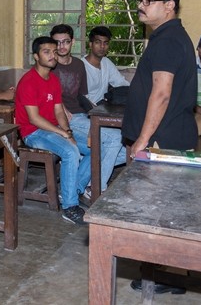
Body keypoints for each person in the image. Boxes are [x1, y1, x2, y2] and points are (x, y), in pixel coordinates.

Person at [123, 0, 196, 296]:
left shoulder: (167, 40)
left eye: (148, 1)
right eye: (140, 0)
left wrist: (141, 140)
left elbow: (162, 93)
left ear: (169, 6)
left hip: (160, 141)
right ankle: (167, 273)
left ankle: (165, 275)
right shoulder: (169, 36)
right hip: (168, 136)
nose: (141, 6)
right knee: (165, 211)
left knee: (158, 211)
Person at [15, 36, 90, 225]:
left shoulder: (54, 80)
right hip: (33, 133)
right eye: (46, 52)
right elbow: (34, 119)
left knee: (94, 147)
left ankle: (72, 191)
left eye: (54, 51)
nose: (52, 55)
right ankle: (69, 207)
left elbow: (59, 110)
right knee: (70, 151)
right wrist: (63, 134)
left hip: (53, 129)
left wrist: (67, 131)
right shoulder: (28, 81)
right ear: (35, 56)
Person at [50, 24, 116, 198]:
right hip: (62, 119)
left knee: (123, 147)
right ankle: (93, 187)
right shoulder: (49, 65)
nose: (61, 46)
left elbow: (81, 95)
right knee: (112, 140)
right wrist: (63, 110)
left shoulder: (79, 65)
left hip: (80, 115)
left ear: (72, 42)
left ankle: (83, 185)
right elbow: (47, 95)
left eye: (65, 42)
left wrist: (96, 112)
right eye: (56, 43)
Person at [81, 26, 129, 189]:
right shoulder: (81, 66)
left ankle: (90, 174)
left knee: (128, 147)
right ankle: (96, 187)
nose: (102, 46)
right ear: (90, 44)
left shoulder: (107, 63)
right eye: (98, 42)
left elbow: (121, 83)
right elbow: (81, 98)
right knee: (116, 141)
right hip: (85, 116)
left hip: (102, 114)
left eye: (105, 43)